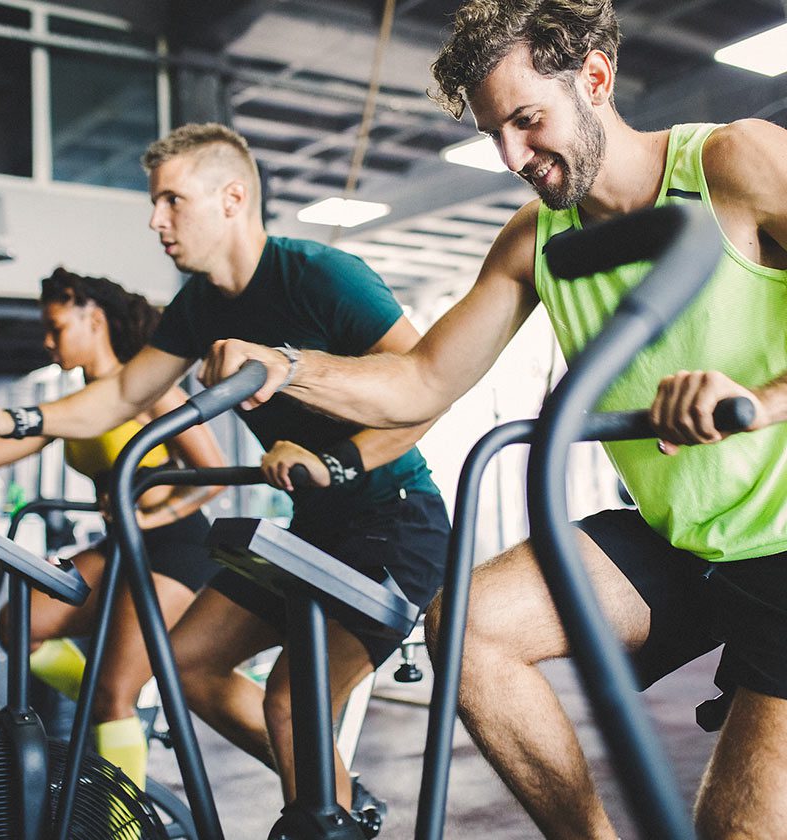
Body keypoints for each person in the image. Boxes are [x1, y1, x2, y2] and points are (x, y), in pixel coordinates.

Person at [186, 1, 787, 837]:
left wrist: (761, 400)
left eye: (527, 121)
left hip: (783, 547)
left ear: (597, 79)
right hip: (683, 542)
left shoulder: (739, 161)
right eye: (493, 132)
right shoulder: (536, 239)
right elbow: (423, 381)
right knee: (466, 628)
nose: (512, 156)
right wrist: (289, 366)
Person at [0, 123, 450, 831]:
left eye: (171, 201)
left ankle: (324, 811)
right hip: (313, 527)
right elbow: (122, 396)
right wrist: (21, 422)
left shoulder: (318, 275)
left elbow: (427, 385)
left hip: (396, 522)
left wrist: (338, 460)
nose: (157, 221)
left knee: (291, 701)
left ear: (232, 198)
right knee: (187, 668)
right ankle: (333, 800)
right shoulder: (201, 306)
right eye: (155, 204)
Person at [0, 267, 227, 791]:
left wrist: (149, 516)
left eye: (57, 328)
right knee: (19, 625)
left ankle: (123, 821)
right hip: (123, 544)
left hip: (176, 546)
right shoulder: (79, 402)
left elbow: (212, 474)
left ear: (93, 318)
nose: (49, 342)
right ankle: (107, 706)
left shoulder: (146, 388)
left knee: (115, 692)